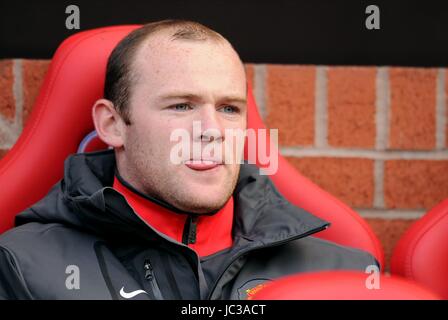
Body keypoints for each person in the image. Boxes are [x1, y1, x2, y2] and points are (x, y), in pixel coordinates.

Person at [0, 20, 378, 300]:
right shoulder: (23, 267)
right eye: (181, 105)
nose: (211, 130)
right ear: (113, 125)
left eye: (229, 108)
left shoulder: (345, 273)